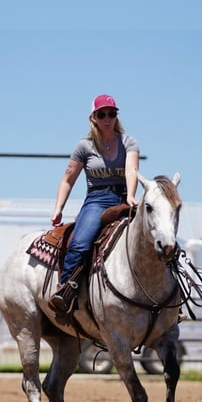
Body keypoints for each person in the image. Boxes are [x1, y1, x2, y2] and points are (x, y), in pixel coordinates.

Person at [48, 94, 140, 321]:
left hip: (123, 198)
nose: (107, 118)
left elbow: (131, 170)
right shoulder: (84, 147)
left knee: (157, 235)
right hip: (97, 200)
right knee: (80, 243)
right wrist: (59, 208)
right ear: (94, 117)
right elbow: (67, 179)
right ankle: (66, 292)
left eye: (112, 113)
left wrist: (130, 195)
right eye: (102, 114)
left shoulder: (128, 142)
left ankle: (174, 299)